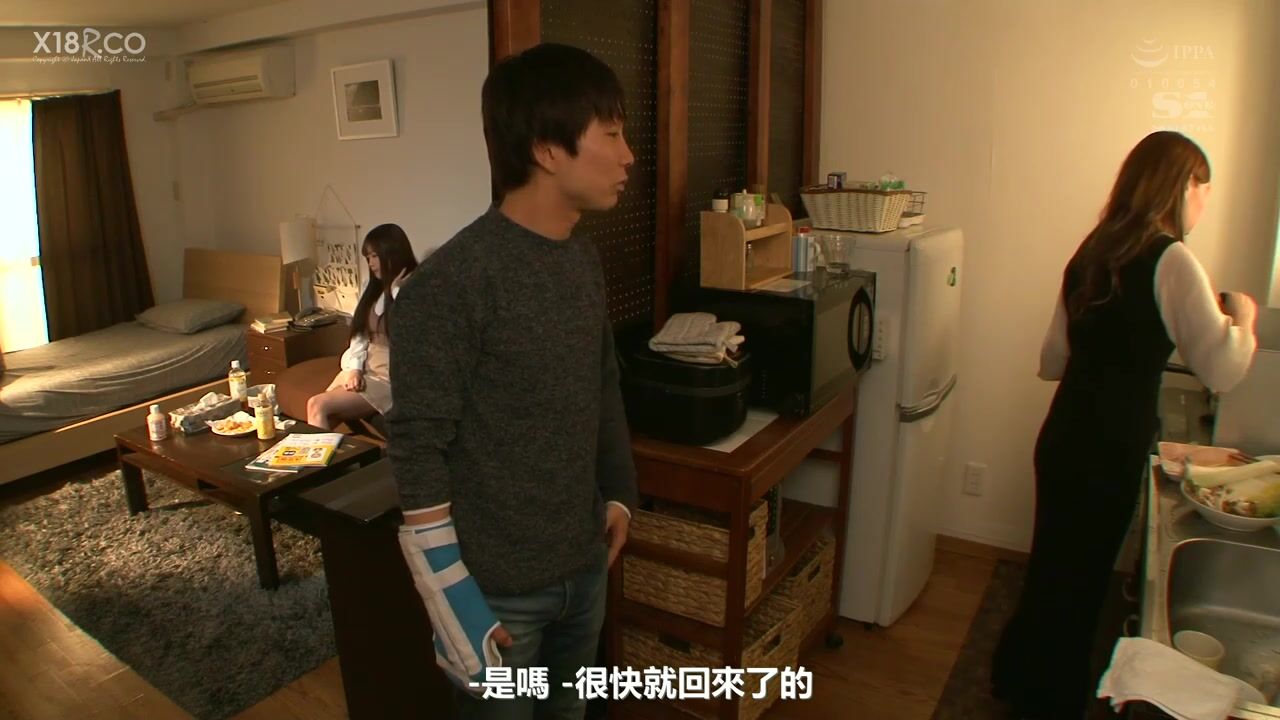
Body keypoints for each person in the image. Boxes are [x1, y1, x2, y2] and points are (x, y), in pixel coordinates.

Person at [387, 43, 638, 720]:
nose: (628, 155)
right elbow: (416, 446)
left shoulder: (581, 255)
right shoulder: (450, 285)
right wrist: (453, 599)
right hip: (496, 596)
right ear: (547, 150)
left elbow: (601, 383)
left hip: (583, 566)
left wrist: (619, 494)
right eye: (611, 134)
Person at [991, 131, 1258, 718]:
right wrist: (1244, 321)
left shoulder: (1093, 250)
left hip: (1063, 434)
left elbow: (1052, 359)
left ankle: (1016, 679)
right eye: (1204, 190)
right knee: (1082, 583)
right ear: (1184, 186)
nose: (1204, 204)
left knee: (1052, 567)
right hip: (1109, 445)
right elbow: (1221, 369)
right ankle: (1048, 704)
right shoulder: (1172, 259)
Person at [306, 223, 417, 430]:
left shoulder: (415, 287)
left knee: (317, 405)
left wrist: (396, 292)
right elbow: (359, 334)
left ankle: (317, 453)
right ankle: (320, 452)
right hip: (364, 366)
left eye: (375, 256)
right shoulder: (372, 286)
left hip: (390, 375)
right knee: (319, 412)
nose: (371, 263)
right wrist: (355, 368)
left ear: (392, 253)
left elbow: (412, 332)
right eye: (368, 257)